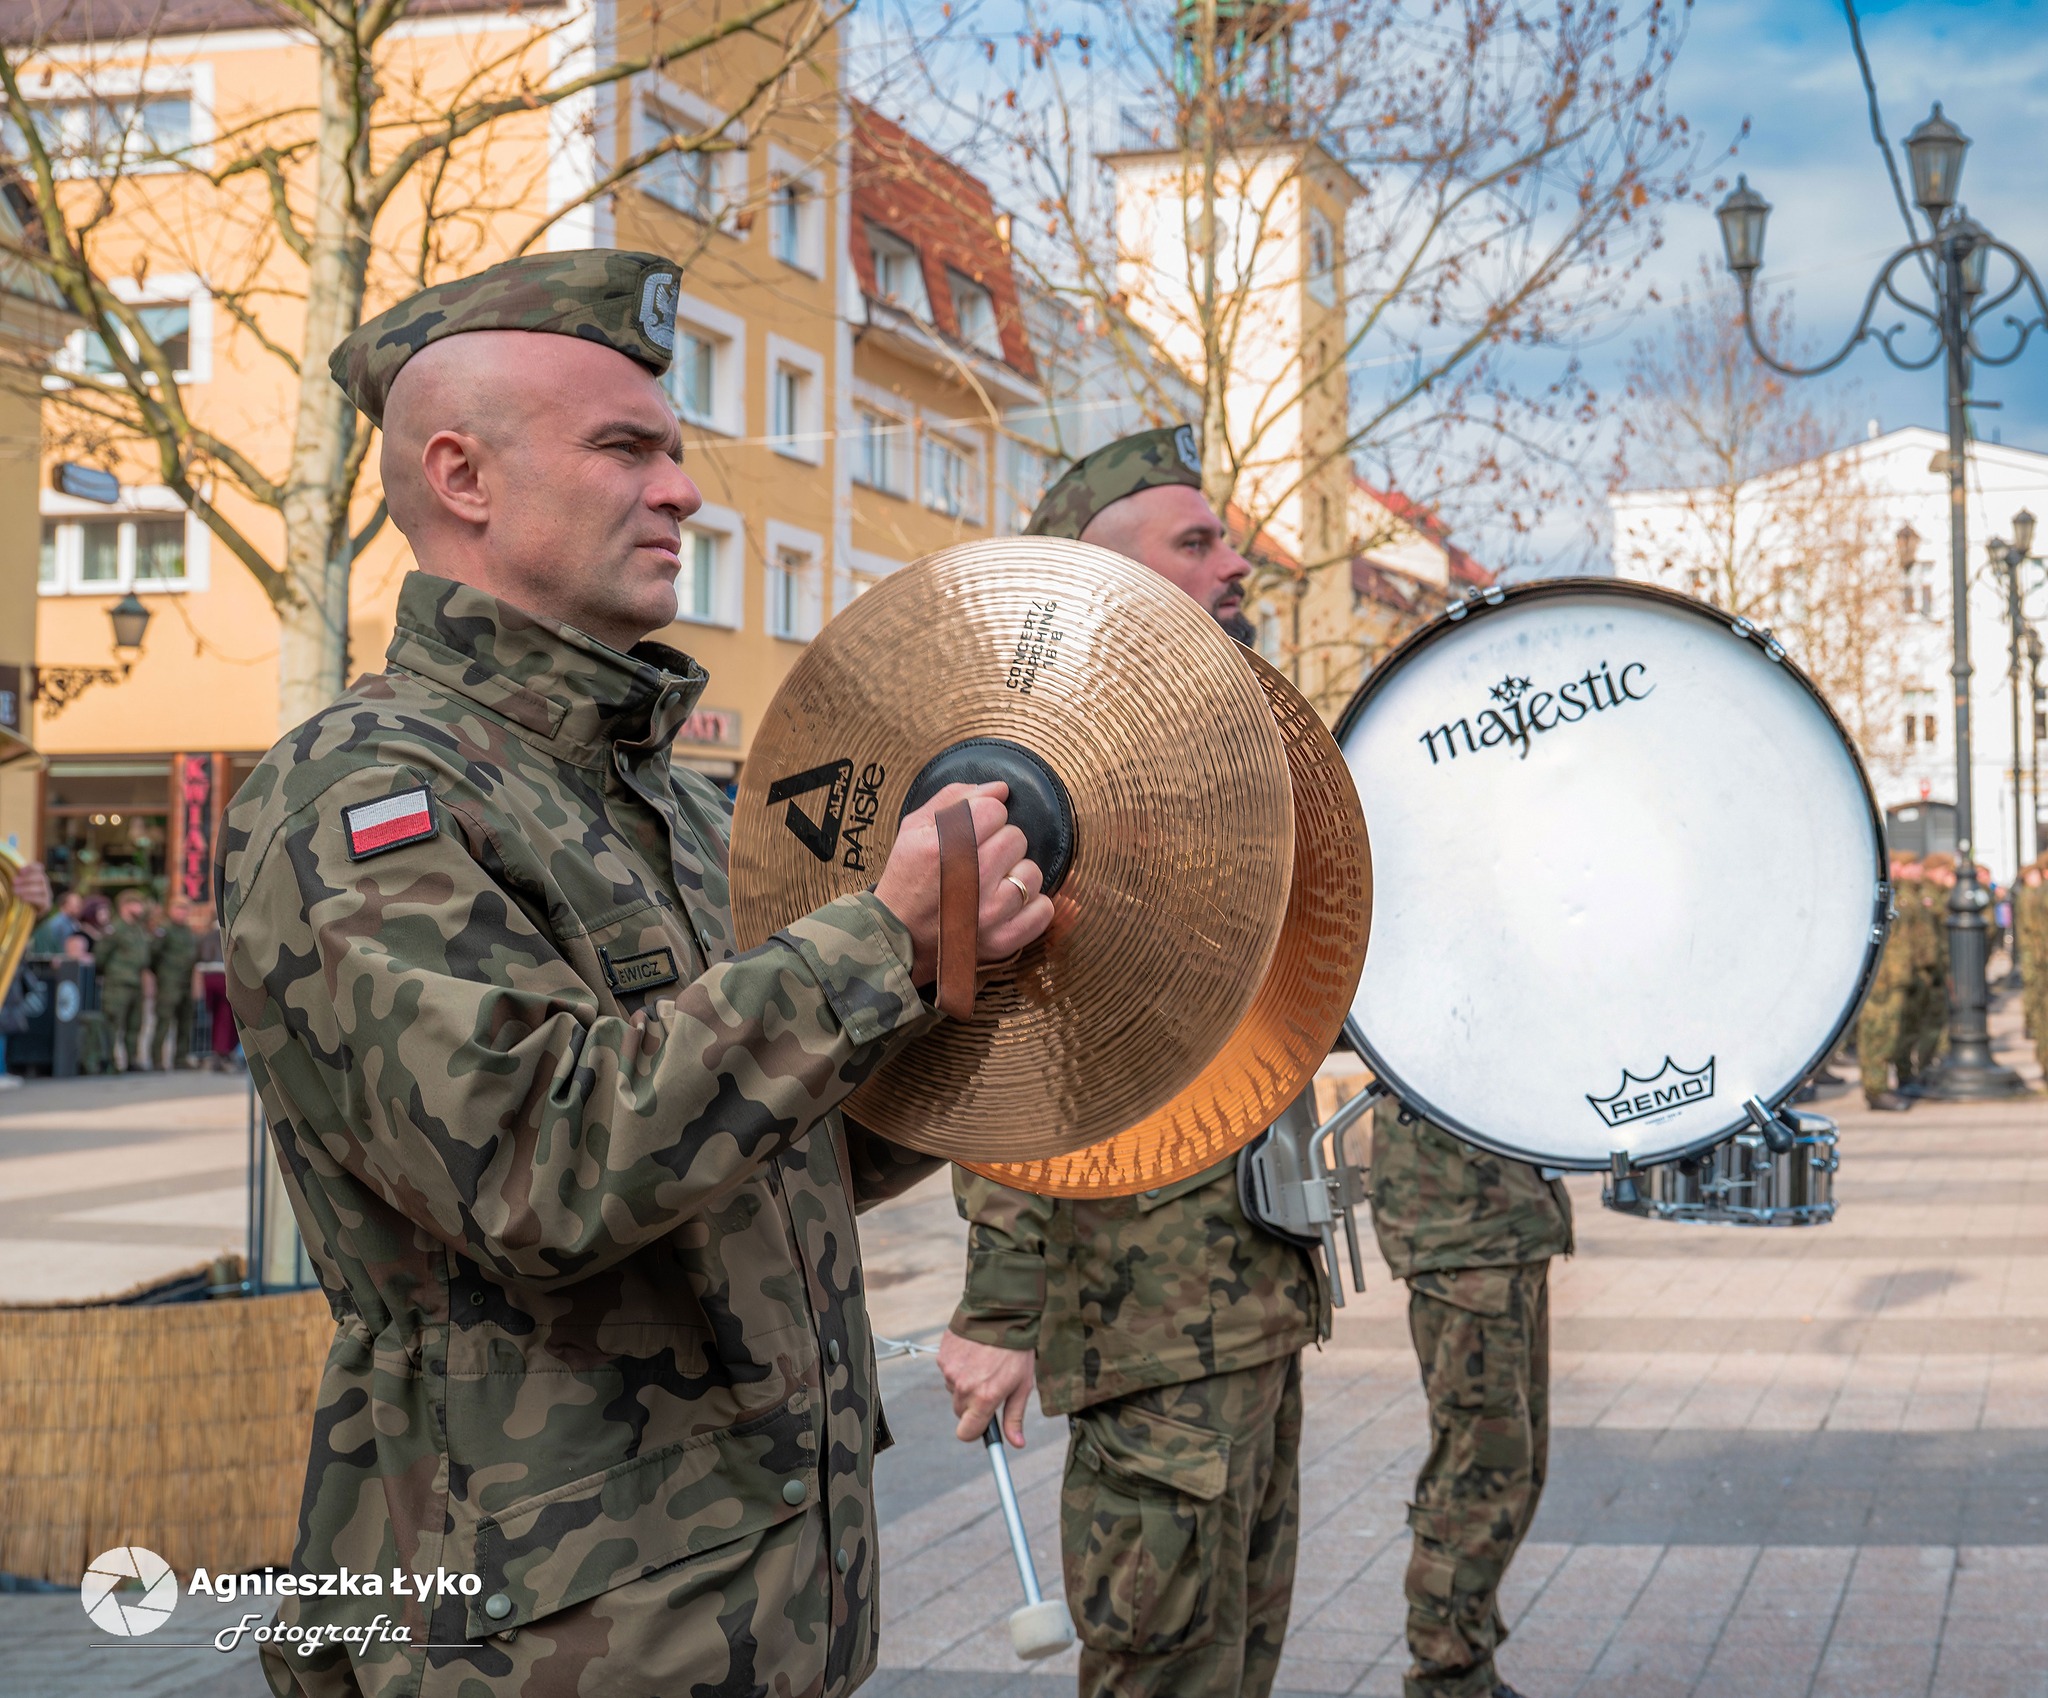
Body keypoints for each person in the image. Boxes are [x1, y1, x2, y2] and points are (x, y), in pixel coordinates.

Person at [216, 248, 1053, 1698]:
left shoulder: (668, 802)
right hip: (540, 1636)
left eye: (675, 452)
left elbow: (784, 1148)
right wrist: (880, 942)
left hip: (757, 1600)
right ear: (463, 476)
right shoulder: (362, 790)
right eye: (627, 450)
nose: (683, 493)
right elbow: (532, 1166)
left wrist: (960, 985)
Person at [937, 426, 1326, 1698]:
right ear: (1102, 573)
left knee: (1238, 1660)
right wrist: (1001, 1309)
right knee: (1164, 1671)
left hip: (1251, 1292)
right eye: (1195, 542)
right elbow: (1000, 1035)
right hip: (1144, 1311)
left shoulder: (1204, 756)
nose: (1234, 564)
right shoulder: (1044, 771)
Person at [1370, 1093, 1571, 1698]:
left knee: (1517, 1471)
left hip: (1510, 1224)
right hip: (1463, 1229)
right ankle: (1446, 1677)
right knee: (1479, 1474)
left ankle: (1467, 1667)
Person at [1859, 855, 1923, 1111]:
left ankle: (1885, 1084)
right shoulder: (1870, 892)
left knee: (1892, 1033)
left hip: (1895, 975)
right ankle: (1876, 1089)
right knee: (1876, 1034)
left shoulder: (1896, 894)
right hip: (1880, 977)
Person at [95, 889, 154, 1072]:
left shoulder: (137, 929)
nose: (141, 908)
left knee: (135, 1024)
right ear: (125, 906)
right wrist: (112, 973)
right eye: (137, 904)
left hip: (136, 981)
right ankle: (108, 1061)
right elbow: (100, 956)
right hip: (118, 983)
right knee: (113, 1023)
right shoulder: (115, 929)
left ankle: (131, 1060)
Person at [147, 894, 201, 1069]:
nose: (181, 913)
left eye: (185, 909)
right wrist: (162, 975)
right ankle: (156, 1059)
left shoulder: (188, 932)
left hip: (186, 982)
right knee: (164, 1020)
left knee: (185, 1021)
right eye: (178, 908)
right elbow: (152, 955)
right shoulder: (164, 930)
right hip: (168, 983)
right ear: (170, 910)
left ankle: (180, 1058)